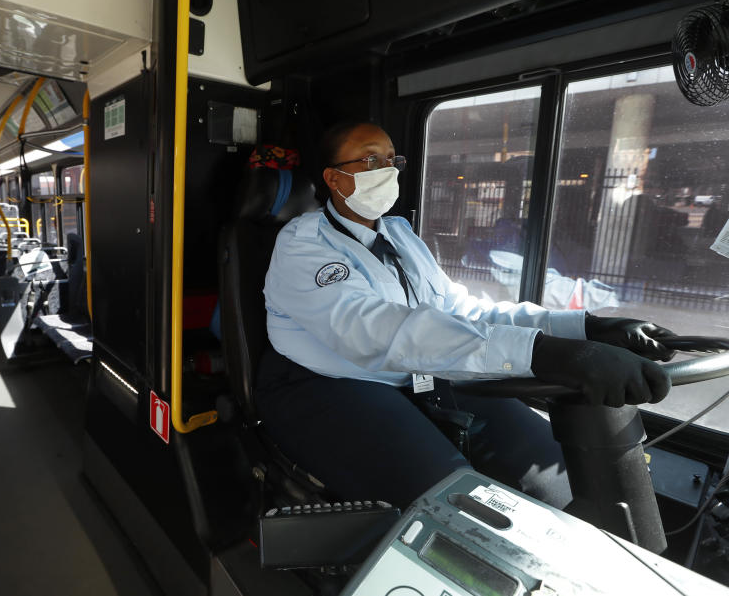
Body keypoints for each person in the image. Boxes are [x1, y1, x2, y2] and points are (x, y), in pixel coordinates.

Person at [256, 121, 674, 509]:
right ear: (333, 178)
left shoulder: (399, 234)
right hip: (327, 383)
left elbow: (460, 310)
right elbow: (375, 332)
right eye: (370, 160)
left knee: (552, 467)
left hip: (417, 374)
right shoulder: (302, 243)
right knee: (452, 496)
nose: (387, 169)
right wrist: (546, 355)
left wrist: (586, 328)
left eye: (391, 159)